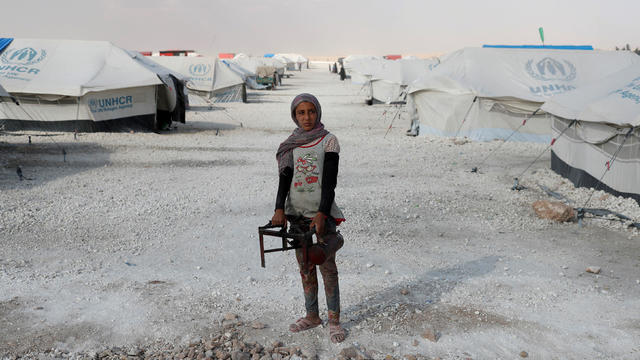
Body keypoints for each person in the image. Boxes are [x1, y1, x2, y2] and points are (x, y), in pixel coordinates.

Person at [271, 93, 346, 344]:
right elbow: (285, 179)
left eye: (311, 112)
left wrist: (323, 213)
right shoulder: (290, 144)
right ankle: (312, 315)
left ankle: (334, 320)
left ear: (318, 113)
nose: (306, 117)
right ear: (294, 115)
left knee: (326, 265)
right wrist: (279, 208)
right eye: (301, 113)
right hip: (297, 215)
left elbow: (330, 181)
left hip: (321, 214)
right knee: (305, 267)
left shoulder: (329, 141)